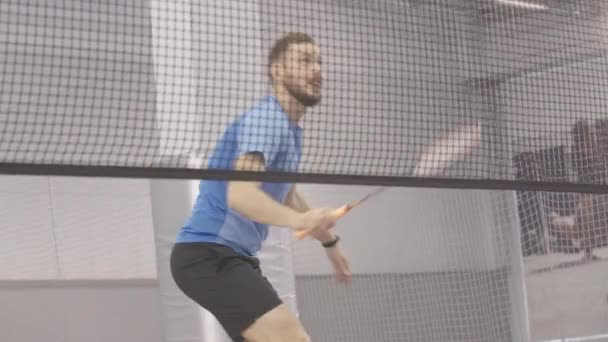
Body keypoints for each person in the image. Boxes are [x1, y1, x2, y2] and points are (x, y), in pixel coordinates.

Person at [170, 32, 352, 342]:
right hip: (209, 254)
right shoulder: (267, 120)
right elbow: (240, 194)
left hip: (230, 257)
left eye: (319, 62)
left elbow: (287, 193)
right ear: (277, 71)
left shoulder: (291, 131)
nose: (317, 70)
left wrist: (330, 243)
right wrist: (300, 221)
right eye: (305, 60)